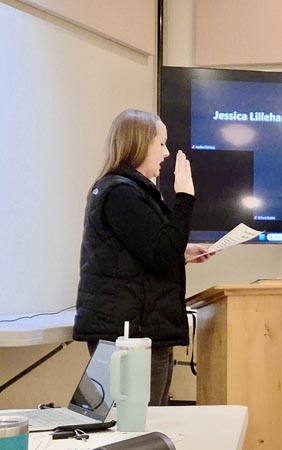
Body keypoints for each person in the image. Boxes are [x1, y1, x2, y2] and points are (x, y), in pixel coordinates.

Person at [73, 109, 213, 407]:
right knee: (137, 427)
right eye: (160, 144)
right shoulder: (123, 193)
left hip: (135, 329)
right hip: (131, 334)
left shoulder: (123, 189)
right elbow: (161, 254)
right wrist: (185, 198)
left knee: (138, 424)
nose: (166, 153)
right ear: (139, 144)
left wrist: (182, 252)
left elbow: (143, 250)